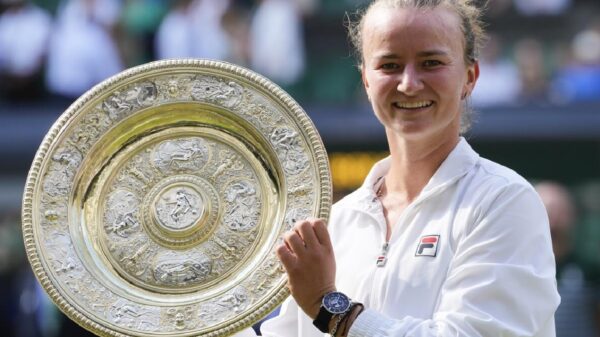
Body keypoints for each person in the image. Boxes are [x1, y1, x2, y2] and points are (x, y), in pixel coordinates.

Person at [234, 0, 559, 336]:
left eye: (431, 62)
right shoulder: (338, 220)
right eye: (389, 65)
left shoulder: (505, 201)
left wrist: (329, 306)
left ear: (469, 77)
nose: (409, 83)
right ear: (365, 80)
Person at [535, 181, 600, 337]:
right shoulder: (519, 268)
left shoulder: (589, 271)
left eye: (560, 212)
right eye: (547, 212)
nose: (554, 221)